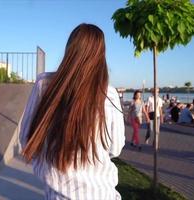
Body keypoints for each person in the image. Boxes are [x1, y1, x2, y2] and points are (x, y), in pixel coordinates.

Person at [19, 24, 125, 199]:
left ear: (70, 49)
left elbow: (26, 138)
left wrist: (49, 165)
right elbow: (115, 148)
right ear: (101, 54)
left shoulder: (44, 84)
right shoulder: (109, 93)